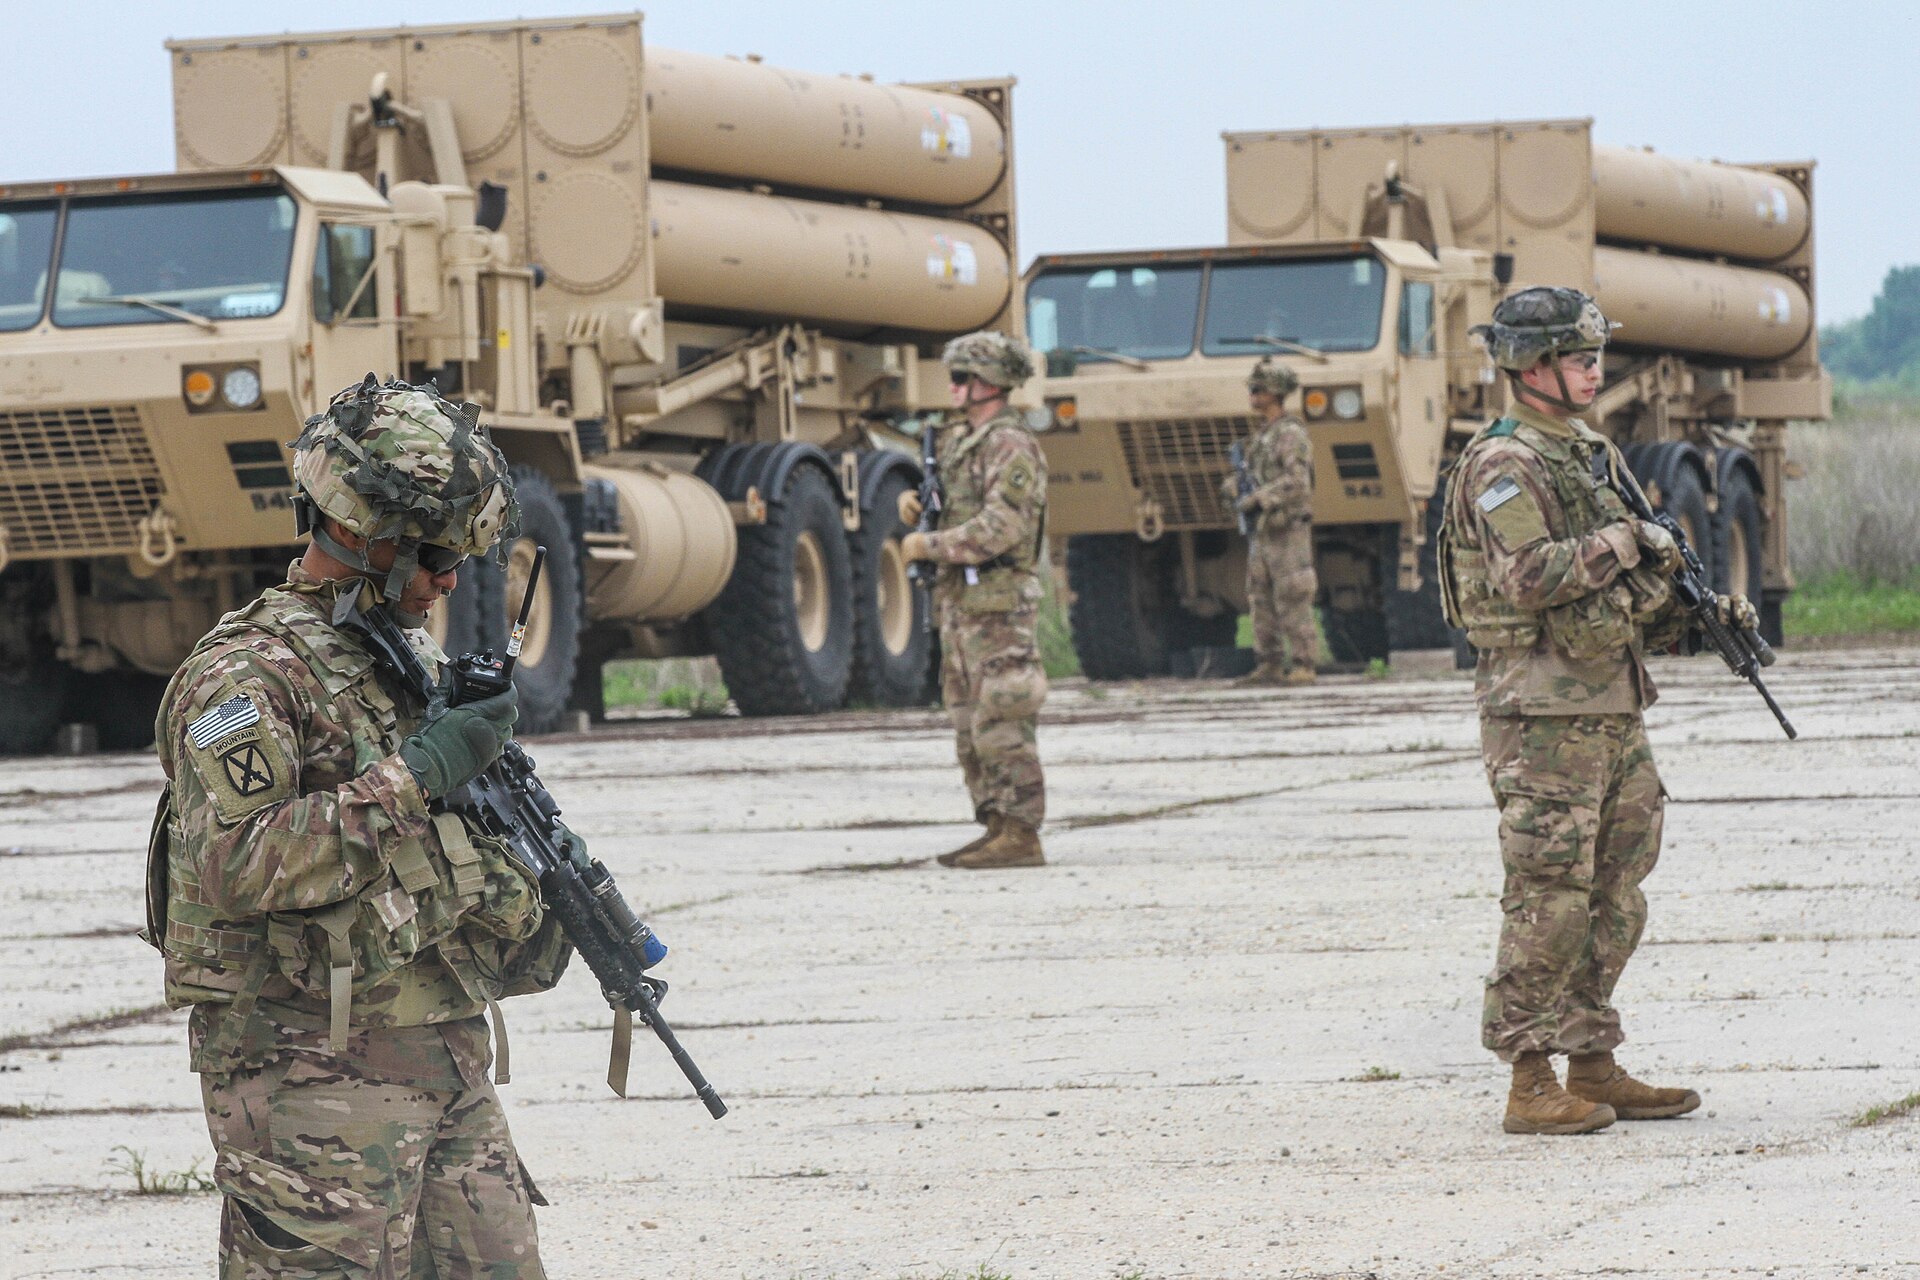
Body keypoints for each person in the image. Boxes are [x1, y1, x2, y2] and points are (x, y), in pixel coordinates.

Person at [147, 374, 572, 1276]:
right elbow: (243, 860)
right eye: (429, 557)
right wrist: (420, 774)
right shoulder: (246, 678)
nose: (447, 580)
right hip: (309, 1079)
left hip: (442, 1052)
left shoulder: (392, 651)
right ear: (355, 532)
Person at [1439, 287, 1757, 1135]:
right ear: (1531, 367)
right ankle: (1528, 1078)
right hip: (1538, 716)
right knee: (1549, 893)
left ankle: (1592, 1059)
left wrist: (1694, 610)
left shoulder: (1588, 453)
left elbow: (1624, 589)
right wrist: (1628, 541)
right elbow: (1530, 577)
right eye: (1579, 358)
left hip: (1610, 702)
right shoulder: (1502, 465)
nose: (1594, 370)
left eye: (1592, 356)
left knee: (1616, 888)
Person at [898, 331, 1050, 869]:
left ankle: (1022, 831)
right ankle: (995, 824)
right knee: (970, 726)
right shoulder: (967, 442)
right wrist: (924, 510)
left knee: (1003, 718)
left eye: (962, 378)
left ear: (990, 384)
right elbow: (965, 509)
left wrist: (931, 545)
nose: (954, 387)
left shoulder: (1009, 444)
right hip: (964, 606)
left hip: (999, 605)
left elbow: (1002, 526)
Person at [1226, 357, 1318, 685]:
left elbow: (1298, 481)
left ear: (1277, 393)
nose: (1253, 393)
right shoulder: (1262, 437)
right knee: (1260, 597)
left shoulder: (1290, 434)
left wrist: (1259, 498)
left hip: (1286, 528)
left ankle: (1304, 663)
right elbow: (1254, 477)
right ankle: (1269, 662)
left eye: (1259, 388)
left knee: (1293, 594)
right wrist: (1236, 488)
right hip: (1263, 531)